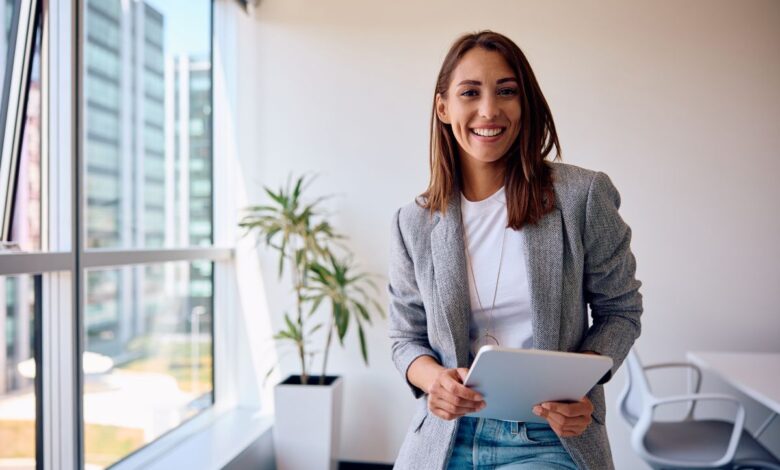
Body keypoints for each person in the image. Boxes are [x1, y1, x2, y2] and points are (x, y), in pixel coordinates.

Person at [388, 30, 643, 470]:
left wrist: (578, 385)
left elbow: (621, 310)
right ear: (444, 107)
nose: (489, 110)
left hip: (547, 435)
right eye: (471, 92)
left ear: (525, 105)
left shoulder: (581, 196)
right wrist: (436, 382)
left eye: (506, 91)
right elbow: (404, 339)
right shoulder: (413, 222)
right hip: (447, 436)